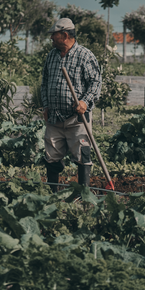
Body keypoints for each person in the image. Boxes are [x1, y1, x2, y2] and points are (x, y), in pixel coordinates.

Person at [41, 18, 102, 192]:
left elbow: (96, 82)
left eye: (54, 34)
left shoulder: (85, 56)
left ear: (65, 35)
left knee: (83, 155)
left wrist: (85, 101)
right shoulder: (52, 56)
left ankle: (84, 195)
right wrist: (45, 106)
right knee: (51, 156)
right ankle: (53, 193)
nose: (51, 38)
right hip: (54, 118)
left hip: (77, 119)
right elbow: (44, 83)